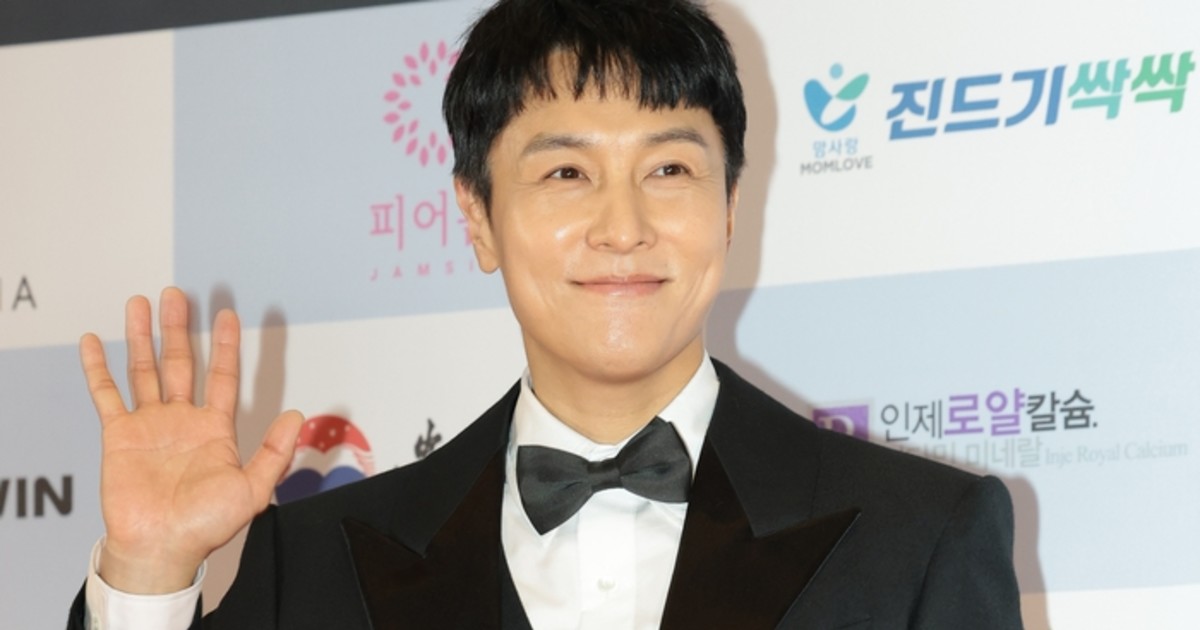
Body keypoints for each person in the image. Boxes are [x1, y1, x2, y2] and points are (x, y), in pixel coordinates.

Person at [68, 0, 1022, 628]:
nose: (623, 227)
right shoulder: (319, 560)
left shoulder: (920, 536)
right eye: (566, 172)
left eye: (670, 168)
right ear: (478, 218)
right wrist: (146, 575)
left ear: (730, 208)